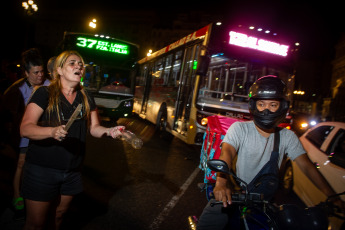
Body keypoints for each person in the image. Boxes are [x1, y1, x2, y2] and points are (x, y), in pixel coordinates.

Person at [196, 75, 344, 230]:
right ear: (254, 106)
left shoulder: (288, 137)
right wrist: (221, 183)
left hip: (266, 202)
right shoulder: (240, 129)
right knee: (209, 223)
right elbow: (227, 152)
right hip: (237, 195)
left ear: (282, 107)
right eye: (261, 104)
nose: (266, 110)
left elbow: (307, 166)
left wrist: (331, 196)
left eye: (273, 104)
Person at [20, 50, 125, 230]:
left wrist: (110, 131)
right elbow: (25, 128)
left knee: (59, 216)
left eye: (81, 64)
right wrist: (52, 131)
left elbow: (94, 128)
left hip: (72, 171)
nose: (79, 66)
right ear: (59, 70)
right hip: (42, 169)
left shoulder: (86, 97)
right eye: (72, 63)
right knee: (36, 224)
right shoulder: (44, 93)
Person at [2, 48, 50, 213]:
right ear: (26, 72)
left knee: (38, 166)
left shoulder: (49, 85)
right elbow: (5, 109)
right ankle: (17, 195)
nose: (40, 75)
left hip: (42, 134)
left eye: (42, 71)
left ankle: (35, 196)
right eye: (35, 72)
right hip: (23, 134)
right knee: (21, 163)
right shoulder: (18, 88)